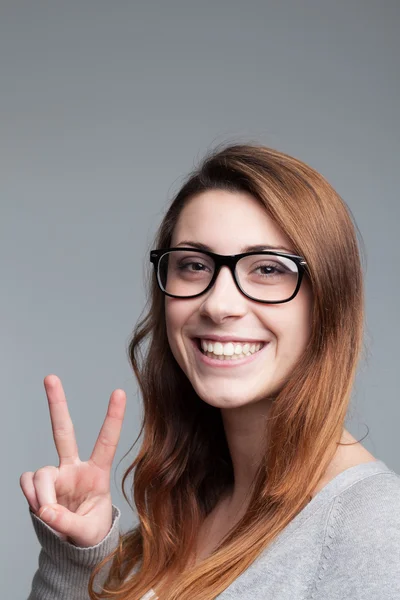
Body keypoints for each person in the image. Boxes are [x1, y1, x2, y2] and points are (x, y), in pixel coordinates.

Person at [21, 143, 400, 600]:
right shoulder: (185, 510)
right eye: (195, 266)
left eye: (267, 269)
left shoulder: (376, 528)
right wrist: (74, 559)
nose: (219, 305)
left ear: (328, 299)